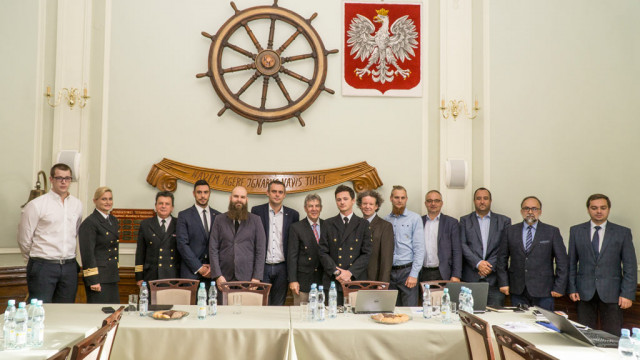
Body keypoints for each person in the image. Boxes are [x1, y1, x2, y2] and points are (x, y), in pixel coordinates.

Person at [568, 194, 637, 336]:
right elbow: (572, 263)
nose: (598, 211)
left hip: (613, 294)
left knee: (612, 337)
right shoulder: (576, 231)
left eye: (603, 208)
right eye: (594, 208)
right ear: (588, 209)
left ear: (608, 209)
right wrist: (572, 288)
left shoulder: (622, 232)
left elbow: (630, 266)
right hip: (583, 293)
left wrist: (627, 294)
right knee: (585, 336)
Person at [18, 163, 83, 303]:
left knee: (65, 312)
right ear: (51, 179)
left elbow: (76, 233)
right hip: (43, 266)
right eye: (59, 178)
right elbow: (24, 238)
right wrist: (35, 260)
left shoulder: (77, 205)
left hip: (69, 266)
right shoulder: (36, 205)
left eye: (67, 178)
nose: (63, 181)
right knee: (39, 311)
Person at [496, 196, 568, 311]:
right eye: (526, 208)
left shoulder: (552, 232)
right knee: (518, 326)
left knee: (543, 326)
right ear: (521, 211)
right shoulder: (510, 231)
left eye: (534, 209)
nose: (530, 212)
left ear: (540, 211)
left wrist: (559, 287)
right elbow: (501, 259)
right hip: (518, 289)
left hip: (544, 290)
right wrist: (503, 283)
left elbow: (562, 262)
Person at [318, 185, 372, 305]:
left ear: (353, 200)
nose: (342, 202)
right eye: (339, 199)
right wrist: (337, 273)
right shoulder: (328, 223)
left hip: (355, 280)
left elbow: (367, 253)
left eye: (345, 199)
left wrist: (349, 273)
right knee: (331, 319)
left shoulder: (363, 224)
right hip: (333, 280)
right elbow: (322, 252)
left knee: (355, 321)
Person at [460, 187, 511, 307]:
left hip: (495, 279)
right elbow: (462, 245)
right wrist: (478, 263)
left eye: (485, 198)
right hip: (471, 278)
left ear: (490, 201)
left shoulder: (504, 221)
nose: (482, 201)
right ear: (474, 201)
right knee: (469, 315)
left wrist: (488, 265)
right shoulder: (464, 220)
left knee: (495, 317)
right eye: (478, 198)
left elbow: (504, 247)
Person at [251, 180, 300, 306]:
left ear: (284, 195)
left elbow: (294, 245)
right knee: (262, 304)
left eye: (280, 192)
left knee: (279, 305)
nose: (277, 195)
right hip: (263, 266)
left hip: (282, 267)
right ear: (267, 193)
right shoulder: (257, 211)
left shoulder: (293, 215)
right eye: (274, 191)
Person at [210, 186, 266, 290]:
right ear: (230, 198)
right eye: (236, 196)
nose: (239, 200)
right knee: (223, 306)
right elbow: (213, 249)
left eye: (242, 197)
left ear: (246, 200)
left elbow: (261, 251)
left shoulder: (256, 220)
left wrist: (257, 277)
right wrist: (218, 275)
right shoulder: (219, 220)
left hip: (248, 279)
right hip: (224, 279)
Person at [79, 187, 120, 304]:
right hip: (98, 278)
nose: (108, 202)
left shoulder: (113, 220)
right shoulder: (90, 223)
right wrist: (93, 280)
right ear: (95, 201)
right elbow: (88, 254)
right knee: (99, 314)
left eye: (110, 199)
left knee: (113, 313)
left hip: (111, 275)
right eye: (104, 199)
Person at [384, 186, 425, 306]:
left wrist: (414, 274)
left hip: (407, 272)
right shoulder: (386, 220)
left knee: (409, 310)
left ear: (406, 199)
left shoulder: (415, 218)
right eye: (396, 197)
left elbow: (419, 249)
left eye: (402, 198)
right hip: (390, 272)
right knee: (391, 310)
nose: (399, 200)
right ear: (391, 198)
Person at [177, 180, 221, 288]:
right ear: (194, 193)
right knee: (190, 305)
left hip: (213, 274)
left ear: (209, 193)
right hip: (191, 272)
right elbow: (182, 245)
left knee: (212, 304)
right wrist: (199, 268)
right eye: (199, 192)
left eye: (205, 192)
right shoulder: (184, 215)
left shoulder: (219, 216)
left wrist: (213, 267)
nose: (202, 196)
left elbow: (221, 244)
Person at [135, 191, 180, 285]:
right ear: (155, 206)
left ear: (172, 208)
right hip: (151, 276)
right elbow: (140, 253)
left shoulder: (179, 224)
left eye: (167, 204)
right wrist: (139, 277)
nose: (163, 206)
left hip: (173, 276)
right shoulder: (146, 224)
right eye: (160, 203)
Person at [287, 194, 324, 305]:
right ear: (305, 208)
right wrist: (293, 280)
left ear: (321, 208)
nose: (314, 209)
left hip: (322, 281)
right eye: (310, 206)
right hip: (303, 281)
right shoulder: (296, 227)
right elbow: (292, 256)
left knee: (321, 315)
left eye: (317, 206)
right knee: (301, 316)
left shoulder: (327, 225)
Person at [419, 190, 461, 282]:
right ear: (425, 203)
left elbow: (457, 250)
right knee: (423, 297)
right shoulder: (418, 221)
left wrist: (456, 274)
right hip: (422, 272)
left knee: (444, 297)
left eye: (437, 200)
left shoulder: (451, 223)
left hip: (443, 272)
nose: (433, 203)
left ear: (441, 203)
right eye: (429, 201)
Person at [357, 190, 393, 283]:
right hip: (357, 278)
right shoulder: (356, 224)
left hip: (375, 279)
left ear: (376, 206)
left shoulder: (385, 226)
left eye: (371, 204)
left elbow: (386, 258)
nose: (367, 207)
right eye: (364, 203)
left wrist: (383, 283)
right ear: (360, 205)